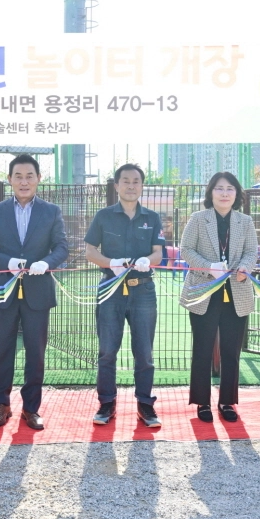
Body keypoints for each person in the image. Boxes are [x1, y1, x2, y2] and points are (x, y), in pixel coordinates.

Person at [0, 154, 68, 430]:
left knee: (35, 352)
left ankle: (31, 409)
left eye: (30, 176)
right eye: (18, 176)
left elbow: (62, 247)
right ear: (9, 180)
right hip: (4, 290)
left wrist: (46, 263)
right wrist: (8, 262)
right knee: (1, 349)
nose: (24, 181)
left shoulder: (51, 211)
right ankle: (0, 406)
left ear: (39, 179)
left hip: (37, 291)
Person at [85, 163, 166, 427]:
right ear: (116, 185)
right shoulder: (103, 216)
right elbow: (90, 252)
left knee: (144, 352)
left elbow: (158, 253)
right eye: (126, 181)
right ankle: (107, 403)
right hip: (111, 289)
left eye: (136, 181)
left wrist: (147, 261)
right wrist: (111, 262)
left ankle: (145, 404)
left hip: (143, 290)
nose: (131, 186)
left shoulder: (152, 218)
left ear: (142, 186)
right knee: (107, 351)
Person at [179, 172, 258, 423]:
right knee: (202, 348)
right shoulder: (198, 219)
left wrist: (245, 268)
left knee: (231, 351)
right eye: (219, 188)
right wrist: (208, 266)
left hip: (237, 290)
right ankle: (202, 402)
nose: (225, 193)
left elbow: (251, 252)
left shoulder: (245, 221)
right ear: (210, 192)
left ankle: (227, 402)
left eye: (230, 189)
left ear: (237, 194)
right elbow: (186, 250)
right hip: (204, 290)